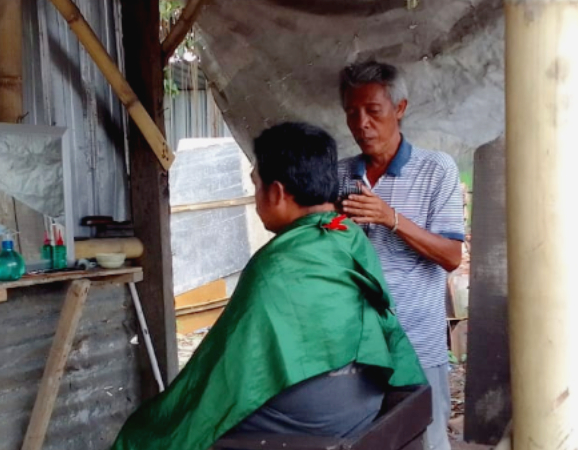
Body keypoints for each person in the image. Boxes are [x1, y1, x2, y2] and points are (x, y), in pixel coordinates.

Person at [111, 122, 426, 450]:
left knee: (153, 431)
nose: (256, 196)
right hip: (363, 402)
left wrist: (168, 417)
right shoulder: (346, 233)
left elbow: (227, 371)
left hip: (310, 421)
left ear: (276, 192)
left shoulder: (275, 265)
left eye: (256, 185)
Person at [337, 61, 465, 450]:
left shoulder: (436, 169)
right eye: (352, 113)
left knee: (424, 441)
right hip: (355, 351)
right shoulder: (340, 174)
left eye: (373, 111)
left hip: (417, 345)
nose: (362, 123)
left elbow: (451, 256)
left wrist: (391, 218)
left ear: (400, 109)